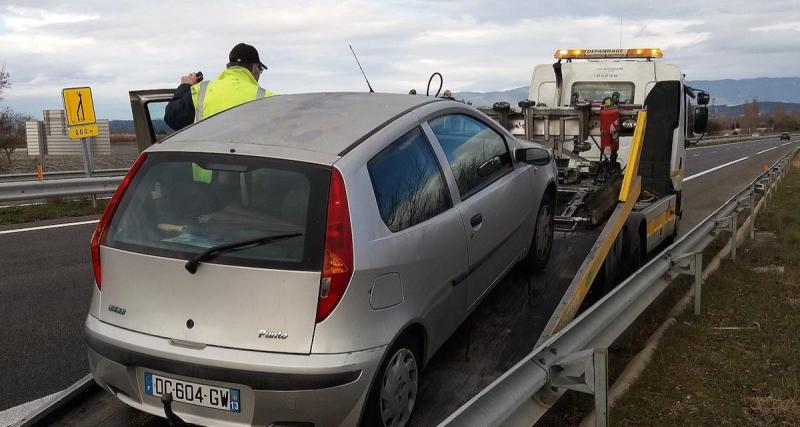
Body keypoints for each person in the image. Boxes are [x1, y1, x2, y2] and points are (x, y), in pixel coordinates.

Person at [164, 43, 274, 131]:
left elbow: (173, 118)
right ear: (254, 68)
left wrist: (185, 86)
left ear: (229, 66)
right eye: (260, 69)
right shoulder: (268, 98)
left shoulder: (202, 90)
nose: (259, 73)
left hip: (205, 160)